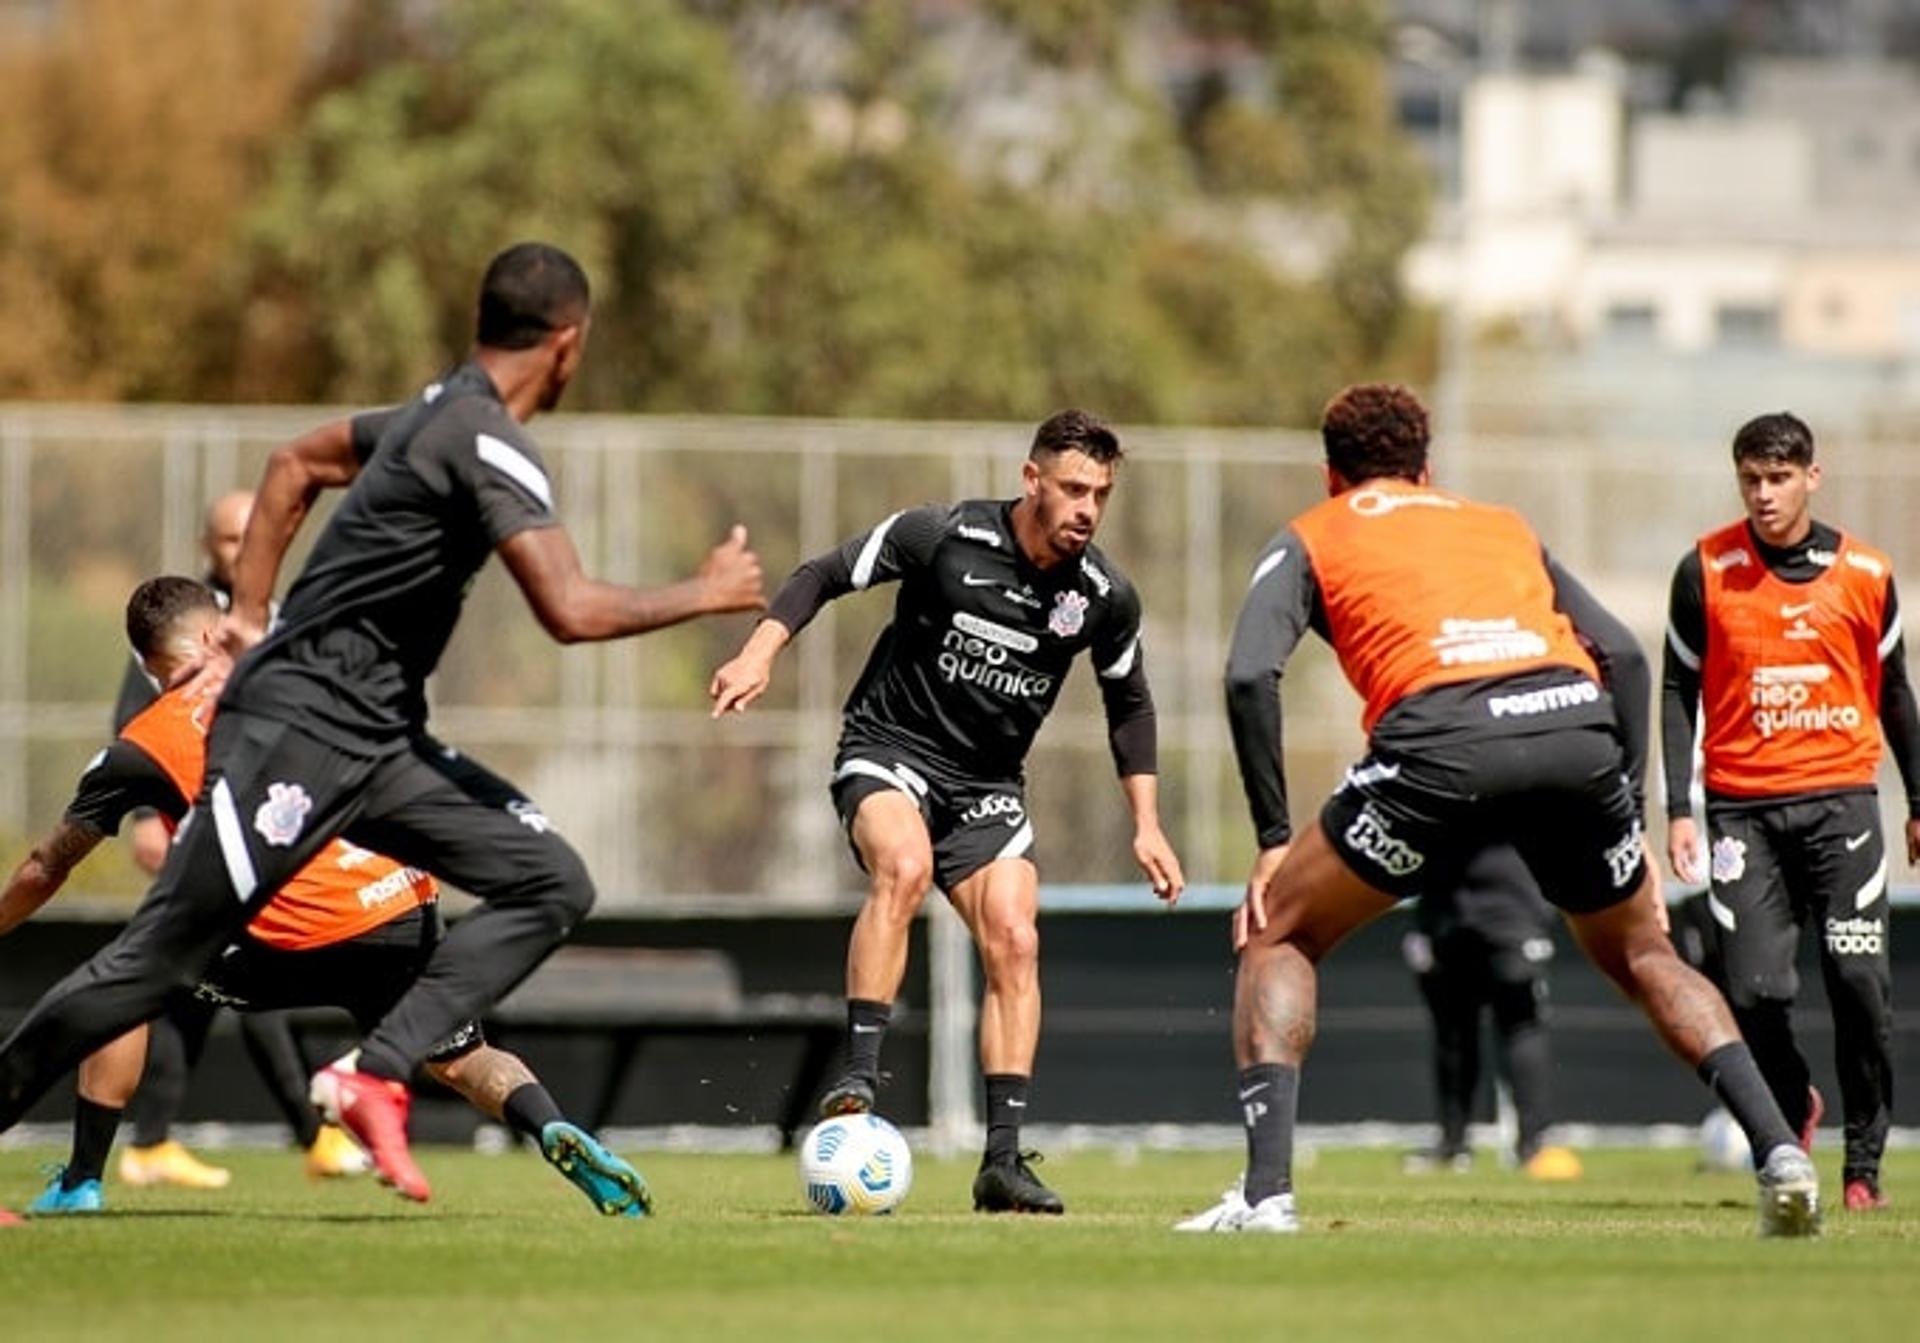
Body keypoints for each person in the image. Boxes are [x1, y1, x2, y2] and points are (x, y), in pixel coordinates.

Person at [0, 241, 766, 1206]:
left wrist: (249, 611)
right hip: (296, 735)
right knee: (147, 966)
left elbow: (294, 463)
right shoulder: (485, 441)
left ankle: (375, 1069)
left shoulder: (429, 414)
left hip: (376, 743)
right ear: (567, 345)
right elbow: (568, 610)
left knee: (550, 879)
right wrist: (704, 592)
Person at [1175, 383, 1818, 1237]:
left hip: (1441, 741)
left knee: (1280, 933)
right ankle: (1780, 1151)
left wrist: (1268, 840)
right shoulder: (1499, 522)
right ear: (1427, 465)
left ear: (1332, 473)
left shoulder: (1313, 532)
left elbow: (1249, 674)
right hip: (1571, 728)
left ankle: (1266, 1196)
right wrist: (1624, 809)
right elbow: (1622, 656)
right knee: (1642, 949)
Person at [3, 577, 653, 1218]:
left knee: (125, 984)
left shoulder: (141, 744)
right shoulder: (304, 677)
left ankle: (81, 1181)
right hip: (400, 903)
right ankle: (554, 1128)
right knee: (460, 1057)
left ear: (150, 664)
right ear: (214, 631)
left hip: (297, 933)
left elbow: (43, 867)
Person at [710, 409, 1184, 1214]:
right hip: (889, 746)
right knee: (904, 864)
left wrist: (1146, 821)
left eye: (1100, 494)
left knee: (1016, 936)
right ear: (1031, 479)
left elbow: (1129, 704)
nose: (1086, 509)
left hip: (988, 784)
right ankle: (859, 1074)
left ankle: (1001, 1160)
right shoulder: (941, 535)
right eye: (1073, 488)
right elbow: (822, 572)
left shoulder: (1104, 595)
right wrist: (759, 651)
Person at [1662, 411, 1920, 1214]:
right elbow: (1675, 690)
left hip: (1842, 805)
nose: (1765, 494)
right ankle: (1794, 1100)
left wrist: (1918, 798)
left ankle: (1865, 1165)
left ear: (1812, 475)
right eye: (1751, 479)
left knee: (1858, 983)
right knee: (1754, 991)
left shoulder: (1866, 573)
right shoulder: (1706, 569)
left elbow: (1897, 693)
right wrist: (1677, 806)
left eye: (1779, 478)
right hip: (1741, 811)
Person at [109, 490, 363, 1189]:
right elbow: (140, 721)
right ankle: (315, 1131)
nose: (241, 545)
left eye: (253, 531)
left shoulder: (291, 610)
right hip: (213, 827)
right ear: (208, 546)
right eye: (227, 538)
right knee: (243, 959)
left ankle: (151, 1139)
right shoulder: (191, 624)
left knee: (199, 983)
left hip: (282, 824)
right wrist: (141, 819)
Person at [1400, 846, 1581, 1181]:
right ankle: (1517, 1145)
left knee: (1496, 1028)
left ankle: (1480, 1145)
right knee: (1485, 1029)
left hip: (1486, 910)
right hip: (1474, 911)